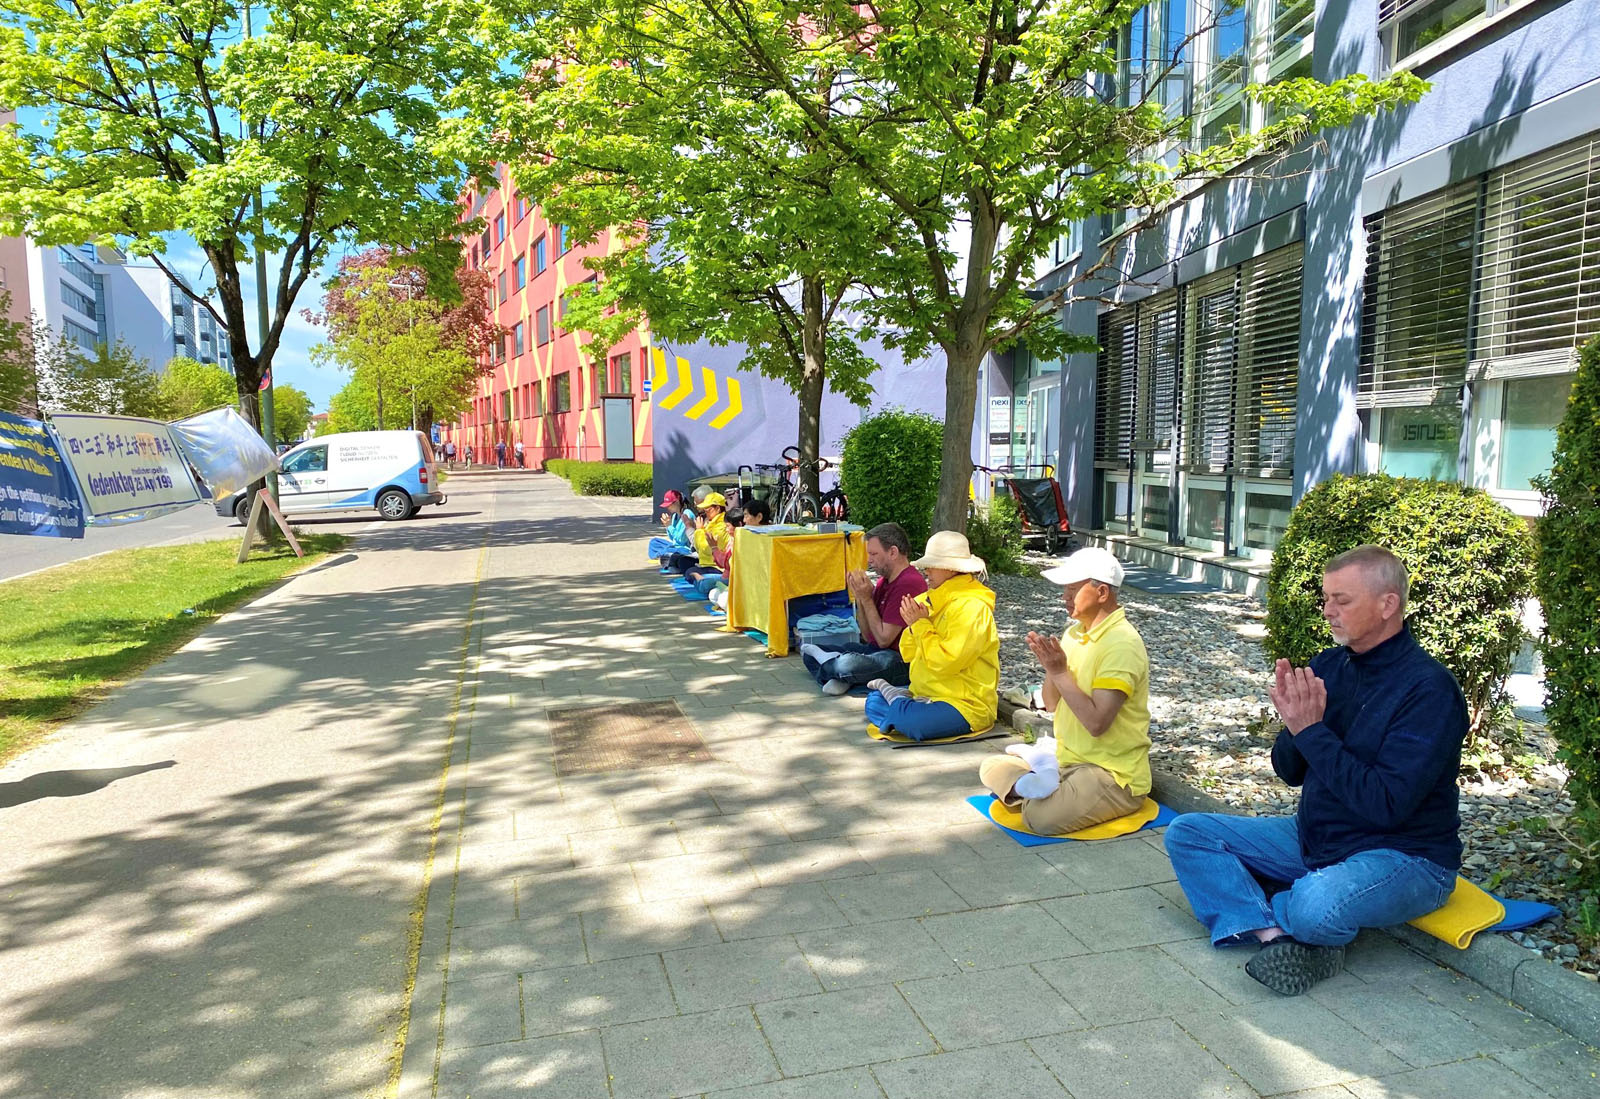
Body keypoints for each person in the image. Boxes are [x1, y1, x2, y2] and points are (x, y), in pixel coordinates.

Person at [1163, 545, 1465, 997]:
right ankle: (1273, 935)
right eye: (1326, 599)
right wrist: (1294, 727)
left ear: (1388, 605)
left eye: (1342, 600)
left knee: (1315, 903)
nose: (1328, 611)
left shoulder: (1429, 690)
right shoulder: (1329, 666)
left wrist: (1311, 730)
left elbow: (1386, 805)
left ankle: (1275, 903)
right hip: (1318, 839)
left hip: (1404, 856)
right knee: (1189, 833)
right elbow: (1289, 772)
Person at [979, 547, 1152, 835]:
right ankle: (1043, 778)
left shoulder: (1122, 644)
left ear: (1102, 592)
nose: (1065, 597)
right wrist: (1052, 667)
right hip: (1066, 758)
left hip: (1111, 773)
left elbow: (1097, 724)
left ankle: (1037, 786)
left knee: (1039, 819)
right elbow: (1050, 704)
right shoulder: (1074, 632)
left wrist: (1059, 672)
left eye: (1072, 589)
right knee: (991, 766)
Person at [864, 530, 999, 741]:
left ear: (951, 568)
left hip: (964, 704)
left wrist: (920, 624)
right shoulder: (928, 599)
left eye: (932, 565)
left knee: (908, 721)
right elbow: (908, 654)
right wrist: (913, 626)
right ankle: (899, 706)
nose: (926, 570)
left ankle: (898, 706)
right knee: (873, 701)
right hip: (923, 695)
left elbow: (946, 663)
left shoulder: (973, 607)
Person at [801, 522, 927, 696]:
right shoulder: (884, 581)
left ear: (893, 552)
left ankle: (844, 676)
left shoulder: (908, 582)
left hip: (899, 659)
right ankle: (846, 679)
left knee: (845, 664)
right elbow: (868, 637)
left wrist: (866, 599)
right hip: (876, 651)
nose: (869, 560)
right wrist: (859, 598)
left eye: (874, 554)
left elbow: (883, 640)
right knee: (808, 653)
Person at [682, 491, 731, 588]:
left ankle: (702, 580)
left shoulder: (721, 526)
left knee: (689, 571)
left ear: (717, 508)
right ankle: (701, 579)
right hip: (707, 564)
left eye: (707, 509)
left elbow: (705, 548)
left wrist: (699, 530)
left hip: (717, 567)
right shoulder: (711, 522)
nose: (705, 512)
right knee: (683, 562)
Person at [647, 489, 696, 572]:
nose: (667, 507)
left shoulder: (687, 514)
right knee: (654, 542)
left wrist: (669, 526)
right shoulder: (675, 516)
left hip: (685, 548)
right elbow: (672, 538)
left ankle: (664, 556)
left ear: (677, 502)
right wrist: (667, 526)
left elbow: (681, 540)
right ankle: (664, 556)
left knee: (670, 550)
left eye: (669, 505)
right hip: (675, 546)